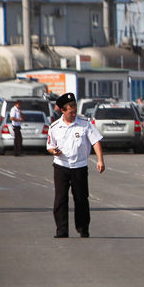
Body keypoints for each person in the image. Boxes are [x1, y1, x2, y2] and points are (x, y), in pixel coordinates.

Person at [46, 93, 105, 238]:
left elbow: (96, 142)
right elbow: (49, 145)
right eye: (70, 112)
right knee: (60, 199)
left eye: (75, 111)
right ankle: (61, 230)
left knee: (81, 198)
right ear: (63, 111)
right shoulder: (54, 127)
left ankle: (83, 228)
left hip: (79, 166)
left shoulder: (84, 124)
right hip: (61, 166)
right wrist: (54, 151)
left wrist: (100, 160)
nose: (73, 114)